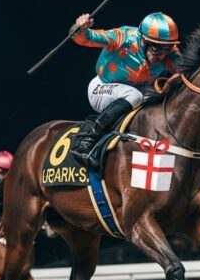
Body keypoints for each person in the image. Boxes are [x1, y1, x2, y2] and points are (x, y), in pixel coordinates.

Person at [69, 12, 182, 167]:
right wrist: (80, 28)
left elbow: (187, 72)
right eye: (156, 49)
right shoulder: (123, 37)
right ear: (143, 40)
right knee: (134, 95)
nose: (161, 56)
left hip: (138, 94)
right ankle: (87, 140)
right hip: (101, 88)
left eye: (167, 49)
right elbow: (82, 38)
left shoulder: (169, 53)